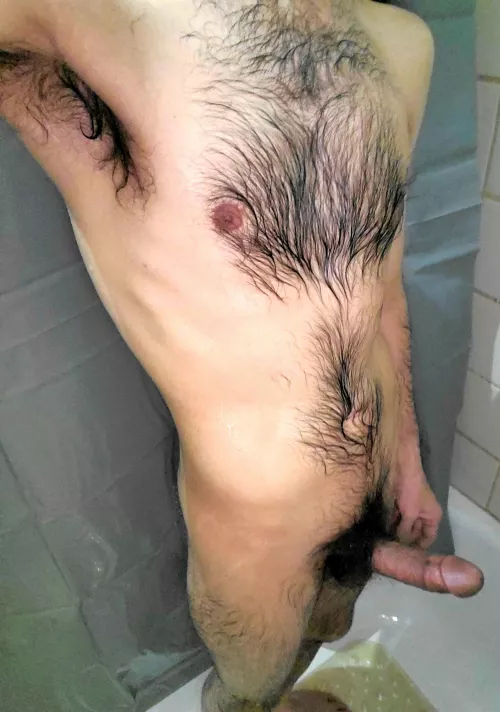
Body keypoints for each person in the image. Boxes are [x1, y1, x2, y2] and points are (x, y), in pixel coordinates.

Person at [0, 1, 484, 710]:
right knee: (247, 687)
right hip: (259, 519)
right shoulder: (103, 13)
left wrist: (407, 460)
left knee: (330, 624)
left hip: (376, 469)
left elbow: (383, 289)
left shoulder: (400, 42)